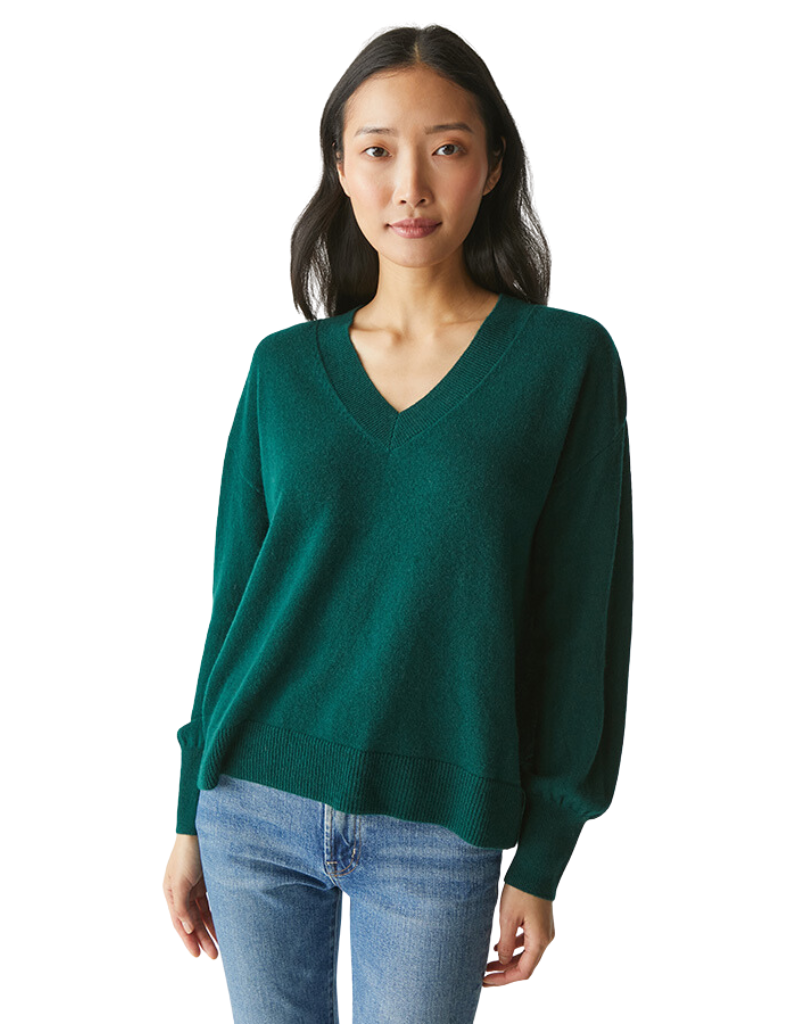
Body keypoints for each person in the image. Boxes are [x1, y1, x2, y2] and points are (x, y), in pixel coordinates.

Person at [162, 22, 633, 1024]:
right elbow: (233, 604)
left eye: (445, 147)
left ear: (492, 165)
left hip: (440, 826)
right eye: (376, 150)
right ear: (339, 168)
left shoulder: (564, 364)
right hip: (251, 802)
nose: (409, 186)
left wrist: (545, 851)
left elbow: (580, 621)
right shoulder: (283, 371)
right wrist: (187, 810)